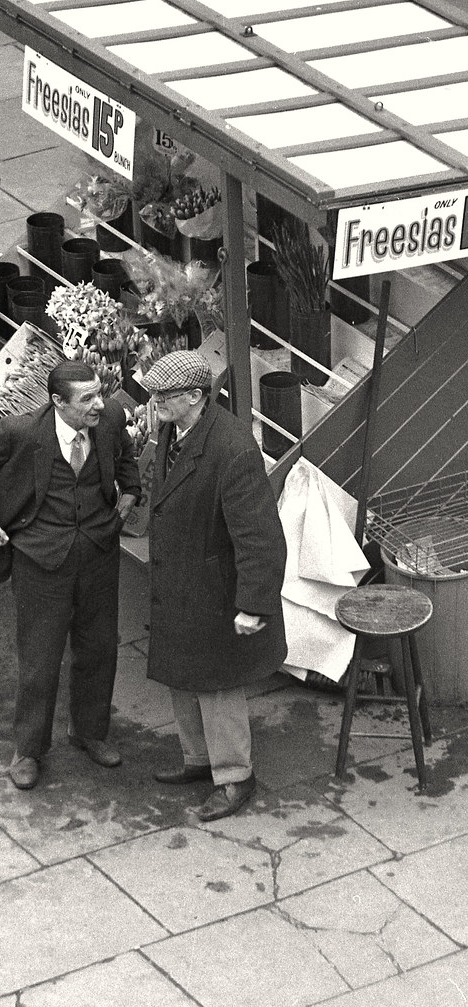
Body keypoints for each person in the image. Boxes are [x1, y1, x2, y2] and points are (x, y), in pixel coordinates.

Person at [0, 361, 141, 790]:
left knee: (99, 649)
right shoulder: (20, 432)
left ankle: (90, 732)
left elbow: (125, 453)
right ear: (58, 402)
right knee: (40, 659)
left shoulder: (109, 418)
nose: (99, 404)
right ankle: (29, 749)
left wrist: (130, 492)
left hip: (98, 554)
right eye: (87, 399)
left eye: (99, 393)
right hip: (40, 562)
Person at [142, 350, 287, 822]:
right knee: (182, 675)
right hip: (180, 580)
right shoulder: (175, 427)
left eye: (164, 395)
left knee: (217, 686)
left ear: (195, 397)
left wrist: (253, 605)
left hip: (214, 591)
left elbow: (260, 537)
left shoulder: (233, 448)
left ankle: (235, 777)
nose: (155, 401)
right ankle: (198, 759)